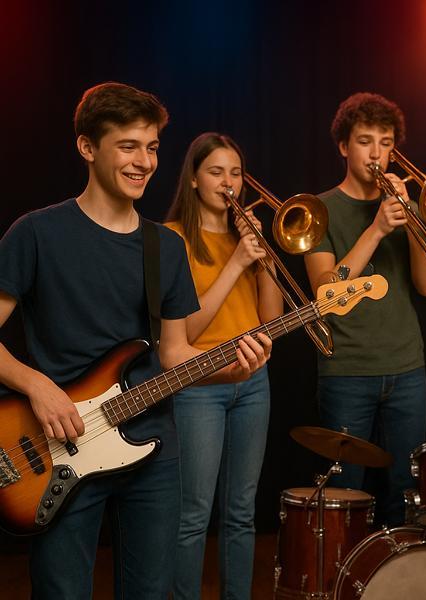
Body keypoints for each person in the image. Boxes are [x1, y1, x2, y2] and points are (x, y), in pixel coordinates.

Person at [0, 83, 271, 600]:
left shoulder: (164, 246)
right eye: (128, 146)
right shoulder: (36, 234)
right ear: (87, 147)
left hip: (153, 446)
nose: (144, 161)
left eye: (151, 148)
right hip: (60, 444)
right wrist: (37, 385)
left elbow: (173, 354)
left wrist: (231, 367)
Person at [304, 92, 426, 526]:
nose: (377, 152)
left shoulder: (403, 208)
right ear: (344, 146)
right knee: (345, 495)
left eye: (386, 142)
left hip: (406, 368)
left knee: (407, 490)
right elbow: (325, 297)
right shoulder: (317, 210)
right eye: (365, 141)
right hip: (347, 371)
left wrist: (411, 220)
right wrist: (377, 229)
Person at [164, 133, 283, 599]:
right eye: (216, 172)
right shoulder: (172, 239)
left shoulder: (245, 240)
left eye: (236, 173)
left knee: (241, 512)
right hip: (198, 383)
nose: (228, 182)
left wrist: (265, 258)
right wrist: (236, 262)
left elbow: (270, 321)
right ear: (194, 179)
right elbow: (187, 332)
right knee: (193, 514)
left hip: (253, 382)